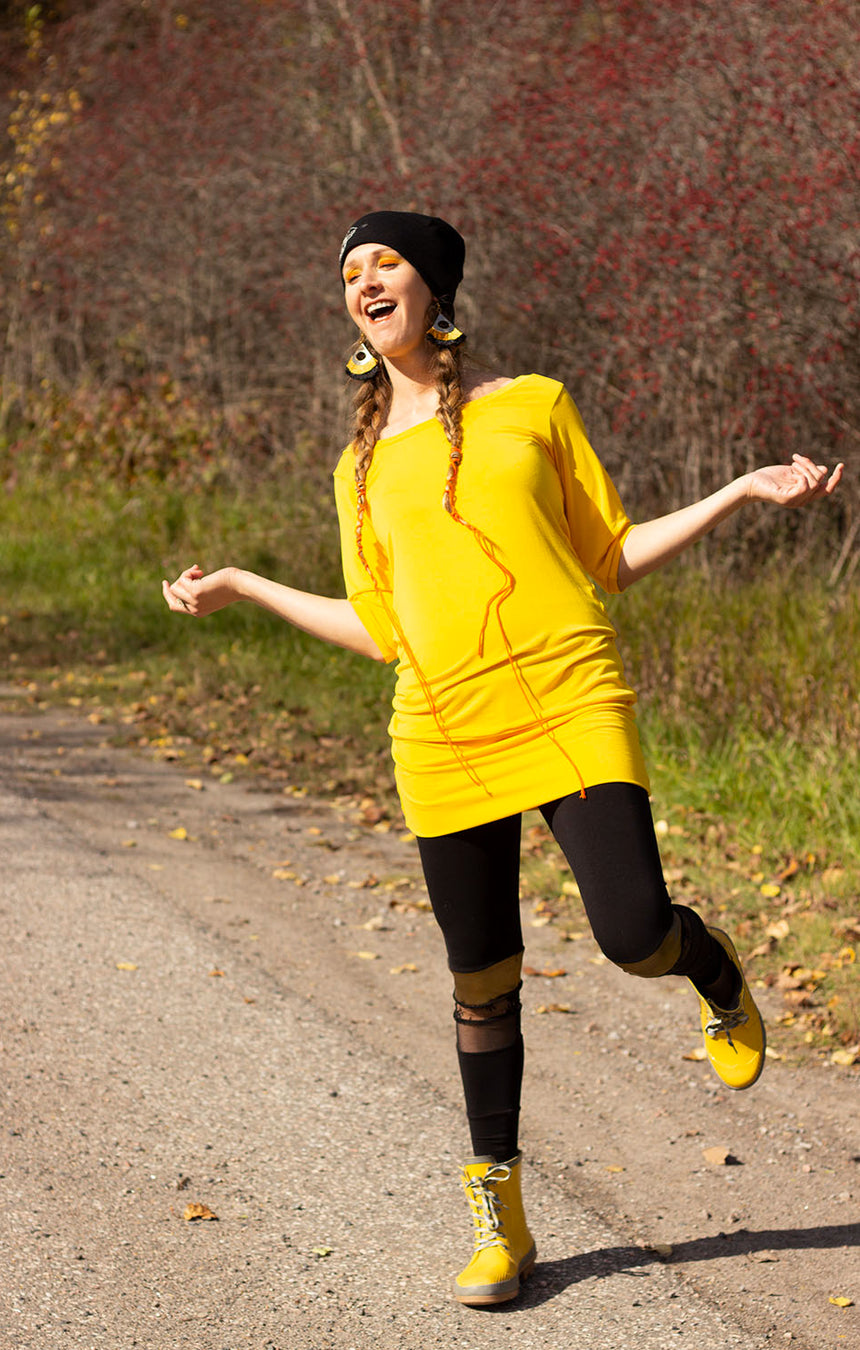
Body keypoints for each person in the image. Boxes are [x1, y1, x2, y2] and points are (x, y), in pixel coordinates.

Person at [163, 210, 843, 1308]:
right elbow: (381, 627)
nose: (364, 280)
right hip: (441, 729)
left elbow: (610, 554)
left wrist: (735, 495)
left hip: (572, 694)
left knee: (631, 934)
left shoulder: (534, 406)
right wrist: (243, 584)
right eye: (349, 272)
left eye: (384, 262)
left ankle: (710, 971)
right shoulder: (361, 461)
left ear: (435, 289)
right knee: (481, 985)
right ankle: (500, 1213)